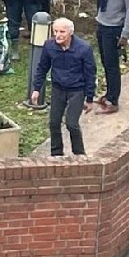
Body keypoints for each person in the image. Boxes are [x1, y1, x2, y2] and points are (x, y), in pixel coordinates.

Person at [31, 17, 97, 156]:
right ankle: (56, 154)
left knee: (71, 124)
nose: (58, 35)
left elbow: (90, 74)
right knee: (54, 123)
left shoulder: (84, 49)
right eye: (55, 31)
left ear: (70, 33)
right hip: (58, 88)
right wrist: (36, 89)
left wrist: (89, 98)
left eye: (62, 31)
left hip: (77, 90)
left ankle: (79, 155)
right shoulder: (49, 46)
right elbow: (42, 68)